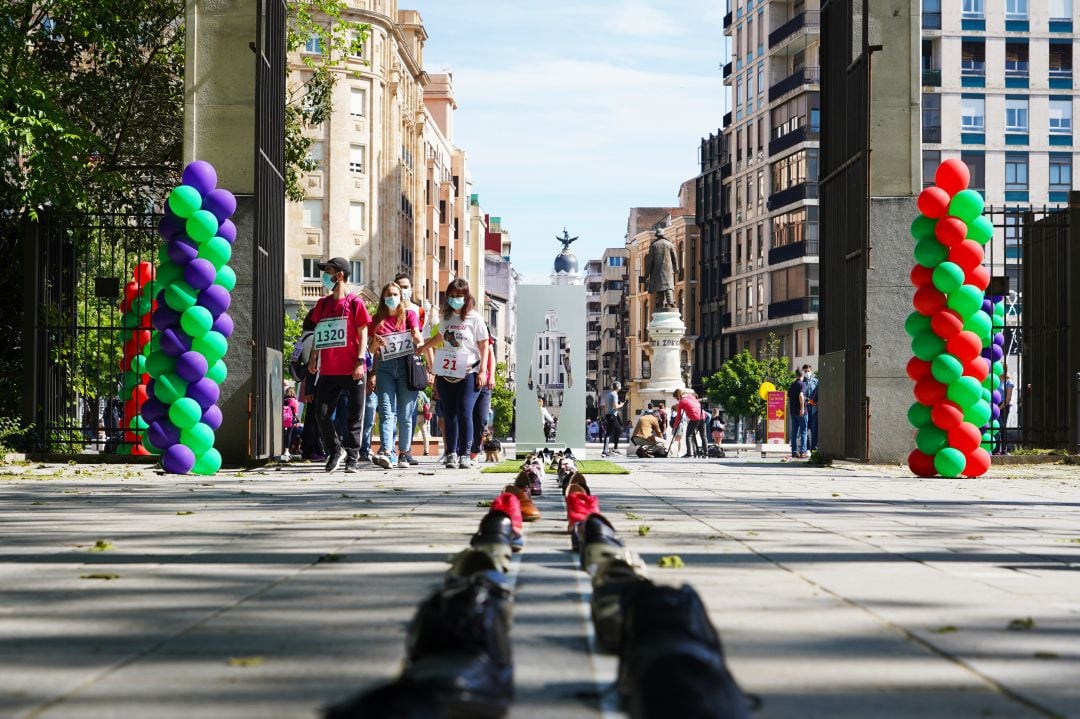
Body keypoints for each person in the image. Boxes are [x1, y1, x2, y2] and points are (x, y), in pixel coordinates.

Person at [307, 257, 370, 473]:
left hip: (353, 368)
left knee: (354, 416)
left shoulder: (355, 303)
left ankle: (352, 458)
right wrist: (314, 357)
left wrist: (361, 361)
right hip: (329, 369)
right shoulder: (322, 304)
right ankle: (335, 449)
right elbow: (320, 332)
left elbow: (364, 332)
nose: (324, 275)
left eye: (328, 271)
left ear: (340, 275)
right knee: (321, 413)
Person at [419, 278, 490, 469]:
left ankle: (465, 454)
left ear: (466, 297)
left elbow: (484, 346)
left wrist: (483, 371)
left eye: (458, 296)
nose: (454, 300)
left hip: (469, 371)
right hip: (446, 373)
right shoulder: (447, 317)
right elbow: (440, 337)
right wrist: (423, 347)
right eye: (451, 296)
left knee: (464, 411)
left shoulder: (475, 319)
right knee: (449, 414)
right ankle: (451, 453)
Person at [367, 281, 423, 469]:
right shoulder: (376, 320)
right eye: (388, 294)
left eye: (395, 294)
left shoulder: (410, 315)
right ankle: (387, 451)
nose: (392, 298)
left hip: (406, 366)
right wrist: (376, 345)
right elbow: (370, 349)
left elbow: (417, 334)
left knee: (405, 413)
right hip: (385, 367)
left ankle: (404, 453)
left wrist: (417, 339)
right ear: (383, 298)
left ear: (401, 297)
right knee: (386, 410)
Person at [471, 331, 497, 461]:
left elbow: (491, 355)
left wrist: (491, 376)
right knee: (464, 415)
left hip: (484, 382)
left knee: (481, 419)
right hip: (467, 377)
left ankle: (475, 449)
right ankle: (461, 450)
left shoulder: (483, 329)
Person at [672, 388, 704, 458]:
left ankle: (690, 453)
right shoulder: (690, 396)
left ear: (677, 396)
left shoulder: (681, 401)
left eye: (675, 398)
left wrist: (675, 425)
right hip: (702, 416)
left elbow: (678, 416)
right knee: (703, 436)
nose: (676, 399)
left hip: (694, 418)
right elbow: (697, 404)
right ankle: (704, 453)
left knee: (688, 436)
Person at [600, 381, 625, 457]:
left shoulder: (608, 394)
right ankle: (605, 450)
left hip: (609, 415)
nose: (621, 387)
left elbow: (605, 406)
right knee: (609, 433)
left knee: (618, 430)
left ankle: (615, 448)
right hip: (611, 415)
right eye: (620, 386)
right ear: (618, 387)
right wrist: (621, 405)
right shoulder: (614, 394)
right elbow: (615, 407)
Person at [787, 373, 808, 458]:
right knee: (803, 431)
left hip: (793, 412)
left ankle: (794, 452)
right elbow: (801, 395)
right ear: (802, 375)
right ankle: (803, 452)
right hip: (801, 412)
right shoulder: (802, 384)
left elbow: (789, 396)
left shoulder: (792, 385)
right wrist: (802, 408)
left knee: (794, 432)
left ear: (796, 375)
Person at [996, 370, 1015, 454]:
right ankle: (995, 449)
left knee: (1002, 427)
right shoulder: (994, 379)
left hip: (1003, 406)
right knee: (994, 428)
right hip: (993, 405)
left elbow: (1008, 398)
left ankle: (1004, 449)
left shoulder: (1008, 381)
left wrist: (999, 408)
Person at [802, 365, 819, 452]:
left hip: (813, 408)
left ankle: (813, 448)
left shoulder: (816, 381)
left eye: (808, 371)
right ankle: (807, 448)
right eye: (805, 371)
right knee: (805, 429)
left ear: (811, 371)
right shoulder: (802, 383)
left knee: (814, 428)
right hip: (805, 408)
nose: (807, 373)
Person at [282, 386, 300, 461]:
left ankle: (281, 449)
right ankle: (287, 451)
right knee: (289, 434)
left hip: (282, 419)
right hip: (290, 419)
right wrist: (298, 420)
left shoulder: (283, 400)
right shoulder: (294, 401)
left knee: (283, 434)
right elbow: (295, 413)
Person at [414, 390, 434, 456]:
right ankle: (426, 451)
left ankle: (407, 450)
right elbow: (427, 402)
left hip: (413, 415)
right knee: (424, 433)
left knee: (410, 433)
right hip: (422, 416)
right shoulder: (422, 393)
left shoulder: (411, 392)